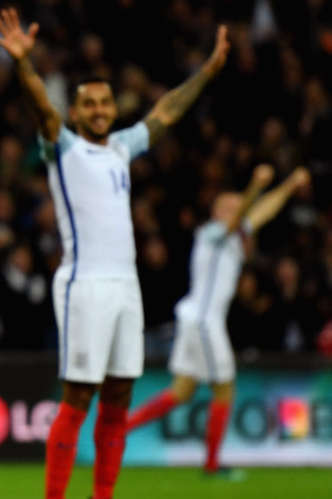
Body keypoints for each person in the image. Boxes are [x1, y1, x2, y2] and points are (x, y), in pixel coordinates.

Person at [0, 7, 231, 499]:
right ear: (76, 114)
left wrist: (208, 73)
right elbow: (42, 114)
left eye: (104, 101)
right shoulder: (64, 146)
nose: (99, 109)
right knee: (80, 392)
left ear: (112, 106)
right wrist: (26, 68)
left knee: (121, 389)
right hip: (84, 285)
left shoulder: (121, 147)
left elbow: (166, 112)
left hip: (126, 286)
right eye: (89, 104)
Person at [127, 165, 310, 474]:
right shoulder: (211, 233)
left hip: (193, 320)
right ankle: (212, 464)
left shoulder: (234, 234)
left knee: (181, 392)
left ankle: (118, 432)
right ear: (214, 212)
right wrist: (254, 186)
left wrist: (289, 184)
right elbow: (243, 216)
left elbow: (262, 212)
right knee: (224, 390)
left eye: (236, 205)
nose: (234, 210)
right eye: (227, 205)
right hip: (204, 323)